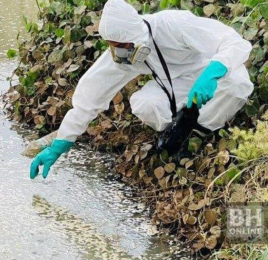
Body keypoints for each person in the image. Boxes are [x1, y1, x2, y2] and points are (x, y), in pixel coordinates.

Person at [30, 0, 254, 179]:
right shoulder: (124, 54)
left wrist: (212, 73)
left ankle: (200, 131)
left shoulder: (172, 24)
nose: (118, 53)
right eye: (112, 47)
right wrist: (60, 144)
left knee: (238, 86)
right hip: (176, 87)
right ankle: (179, 130)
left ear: (136, 37)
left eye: (122, 47)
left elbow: (234, 42)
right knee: (144, 103)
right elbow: (89, 98)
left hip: (210, 72)